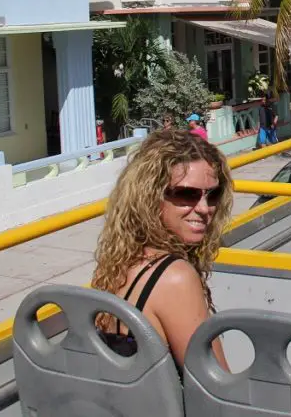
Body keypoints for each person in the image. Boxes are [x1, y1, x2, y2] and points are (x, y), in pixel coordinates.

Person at [91, 129, 234, 374]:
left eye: (213, 195)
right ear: (149, 196)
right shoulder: (174, 277)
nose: (203, 208)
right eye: (185, 194)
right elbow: (218, 390)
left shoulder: (122, 263)